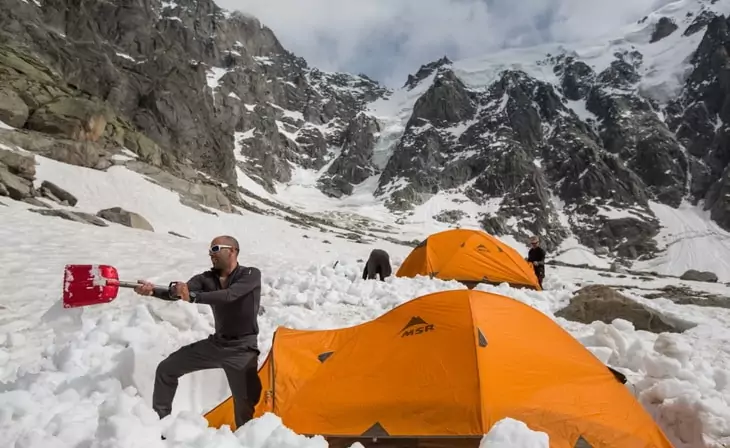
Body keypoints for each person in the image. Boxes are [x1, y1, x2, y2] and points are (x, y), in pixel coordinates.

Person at [134, 235, 262, 432]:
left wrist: (192, 296)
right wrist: (153, 291)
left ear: (233, 251)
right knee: (166, 369)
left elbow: (229, 295)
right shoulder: (206, 278)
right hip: (216, 345)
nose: (211, 253)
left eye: (216, 248)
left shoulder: (250, 275)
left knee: (245, 408)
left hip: (242, 350)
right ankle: (159, 426)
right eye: (210, 250)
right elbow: (179, 292)